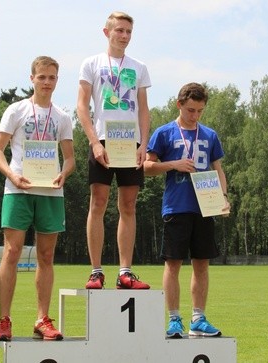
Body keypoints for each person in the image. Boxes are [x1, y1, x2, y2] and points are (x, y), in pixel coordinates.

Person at [0, 56, 75, 341]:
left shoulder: (62, 117)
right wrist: (12, 177)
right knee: (12, 252)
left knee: (46, 255)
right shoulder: (16, 111)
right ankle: (4, 320)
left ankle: (42, 319)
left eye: (52, 78)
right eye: (42, 77)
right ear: (32, 79)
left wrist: (64, 173)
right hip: (18, 189)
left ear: (57, 81)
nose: (47, 82)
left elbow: (70, 158)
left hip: (50, 192)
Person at [144, 82, 230, 338]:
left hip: (205, 206)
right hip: (176, 207)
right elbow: (147, 167)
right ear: (179, 104)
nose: (195, 116)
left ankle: (198, 318)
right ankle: (173, 320)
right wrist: (174, 164)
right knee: (173, 264)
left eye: (200, 111)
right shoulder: (164, 133)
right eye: (191, 110)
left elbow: (219, 170)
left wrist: (223, 197)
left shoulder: (210, 135)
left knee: (201, 264)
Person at [77, 11, 151, 290]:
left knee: (129, 205)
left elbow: (144, 109)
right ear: (106, 32)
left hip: (130, 142)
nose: (124, 36)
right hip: (104, 139)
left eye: (128, 32)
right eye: (119, 30)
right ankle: (96, 271)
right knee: (98, 202)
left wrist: (144, 144)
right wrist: (94, 141)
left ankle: (125, 272)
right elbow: (82, 106)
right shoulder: (91, 63)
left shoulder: (139, 66)